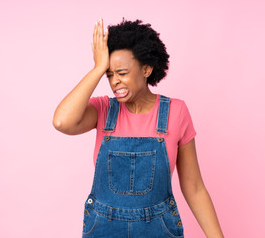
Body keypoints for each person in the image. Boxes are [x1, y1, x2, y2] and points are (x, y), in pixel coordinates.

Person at [53, 17, 224, 238]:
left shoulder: (176, 112)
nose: (114, 81)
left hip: (158, 229)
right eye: (109, 74)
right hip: (104, 229)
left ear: (146, 69)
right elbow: (62, 121)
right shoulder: (103, 109)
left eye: (122, 73)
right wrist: (98, 68)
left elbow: (194, 187)